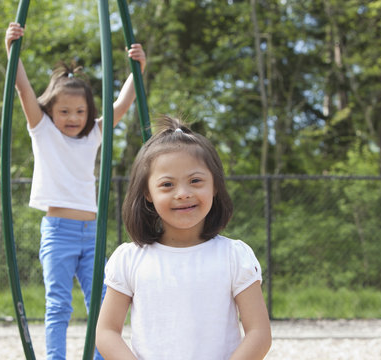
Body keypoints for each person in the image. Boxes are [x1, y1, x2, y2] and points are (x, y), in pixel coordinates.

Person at [5, 22, 146, 360]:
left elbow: (124, 102)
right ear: (50, 111)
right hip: (58, 232)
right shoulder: (43, 132)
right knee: (58, 303)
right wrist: (13, 50)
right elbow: (23, 90)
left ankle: (99, 356)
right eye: (64, 111)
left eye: (80, 111)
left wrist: (138, 68)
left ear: (90, 113)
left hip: (92, 232)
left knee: (101, 301)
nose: (72, 117)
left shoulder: (95, 134)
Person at [96, 116, 272, 360]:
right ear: (148, 192)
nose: (183, 194)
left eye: (195, 181)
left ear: (215, 186)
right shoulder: (130, 258)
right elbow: (106, 332)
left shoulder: (235, 256)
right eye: (167, 184)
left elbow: (259, 333)